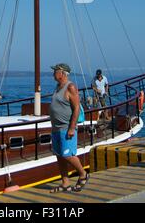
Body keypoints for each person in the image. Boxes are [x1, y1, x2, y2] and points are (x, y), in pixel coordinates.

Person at [49, 63, 89, 193]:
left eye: (55, 71)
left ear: (62, 73)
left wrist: (72, 127)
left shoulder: (70, 87)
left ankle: (83, 174)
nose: (53, 73)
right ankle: (65, 183)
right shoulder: (57, 87)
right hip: (56, 128)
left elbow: (76, 107)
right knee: (59, 156)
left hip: (66, 127)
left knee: (68, 155)